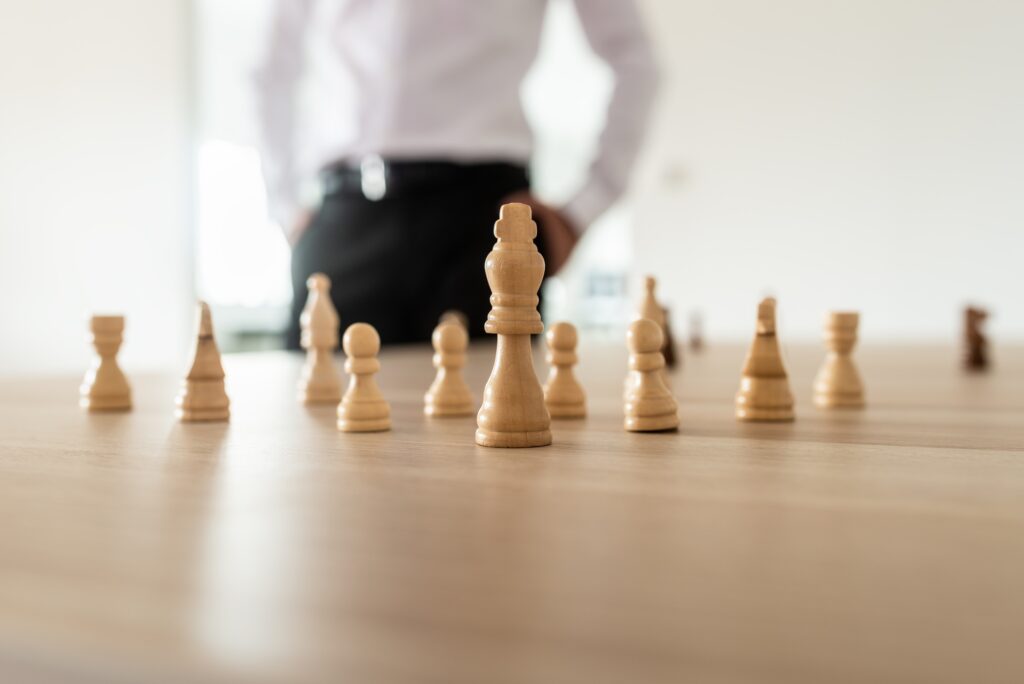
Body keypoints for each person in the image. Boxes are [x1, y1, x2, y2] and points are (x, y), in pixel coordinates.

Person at [254, 0, 659, 347]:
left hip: (487, 221)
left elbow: (636, 61)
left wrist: (580, 212)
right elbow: (270, 67)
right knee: (316, 424)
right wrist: (286, 207)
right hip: (344, 218)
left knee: (493, 423)